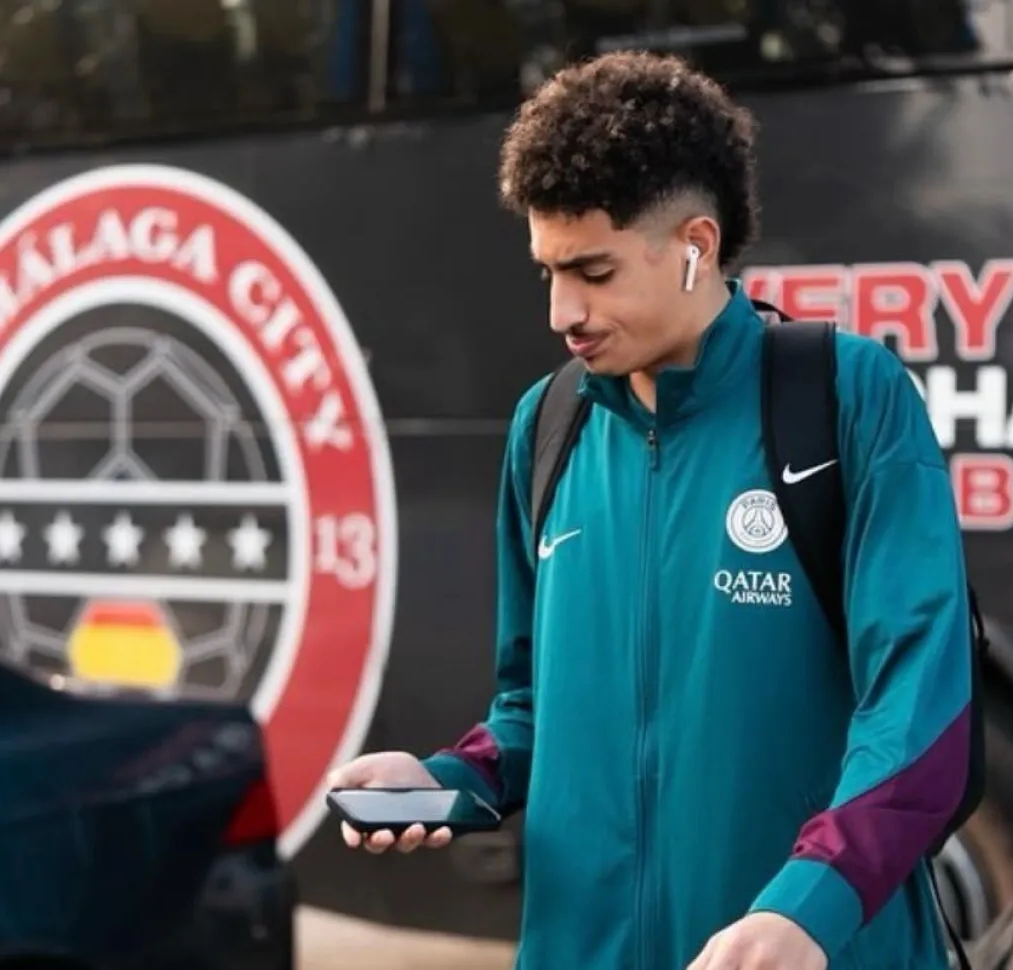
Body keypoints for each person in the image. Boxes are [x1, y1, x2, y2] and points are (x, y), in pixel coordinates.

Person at [327, 49, 973, 970]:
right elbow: (529, 710)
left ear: (695, 247)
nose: (562, 311)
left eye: (593, 271)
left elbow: (921, 712)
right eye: (548, 272)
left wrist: (810, 909)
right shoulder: (547, 423)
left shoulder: (847, 397)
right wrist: (448, 780)